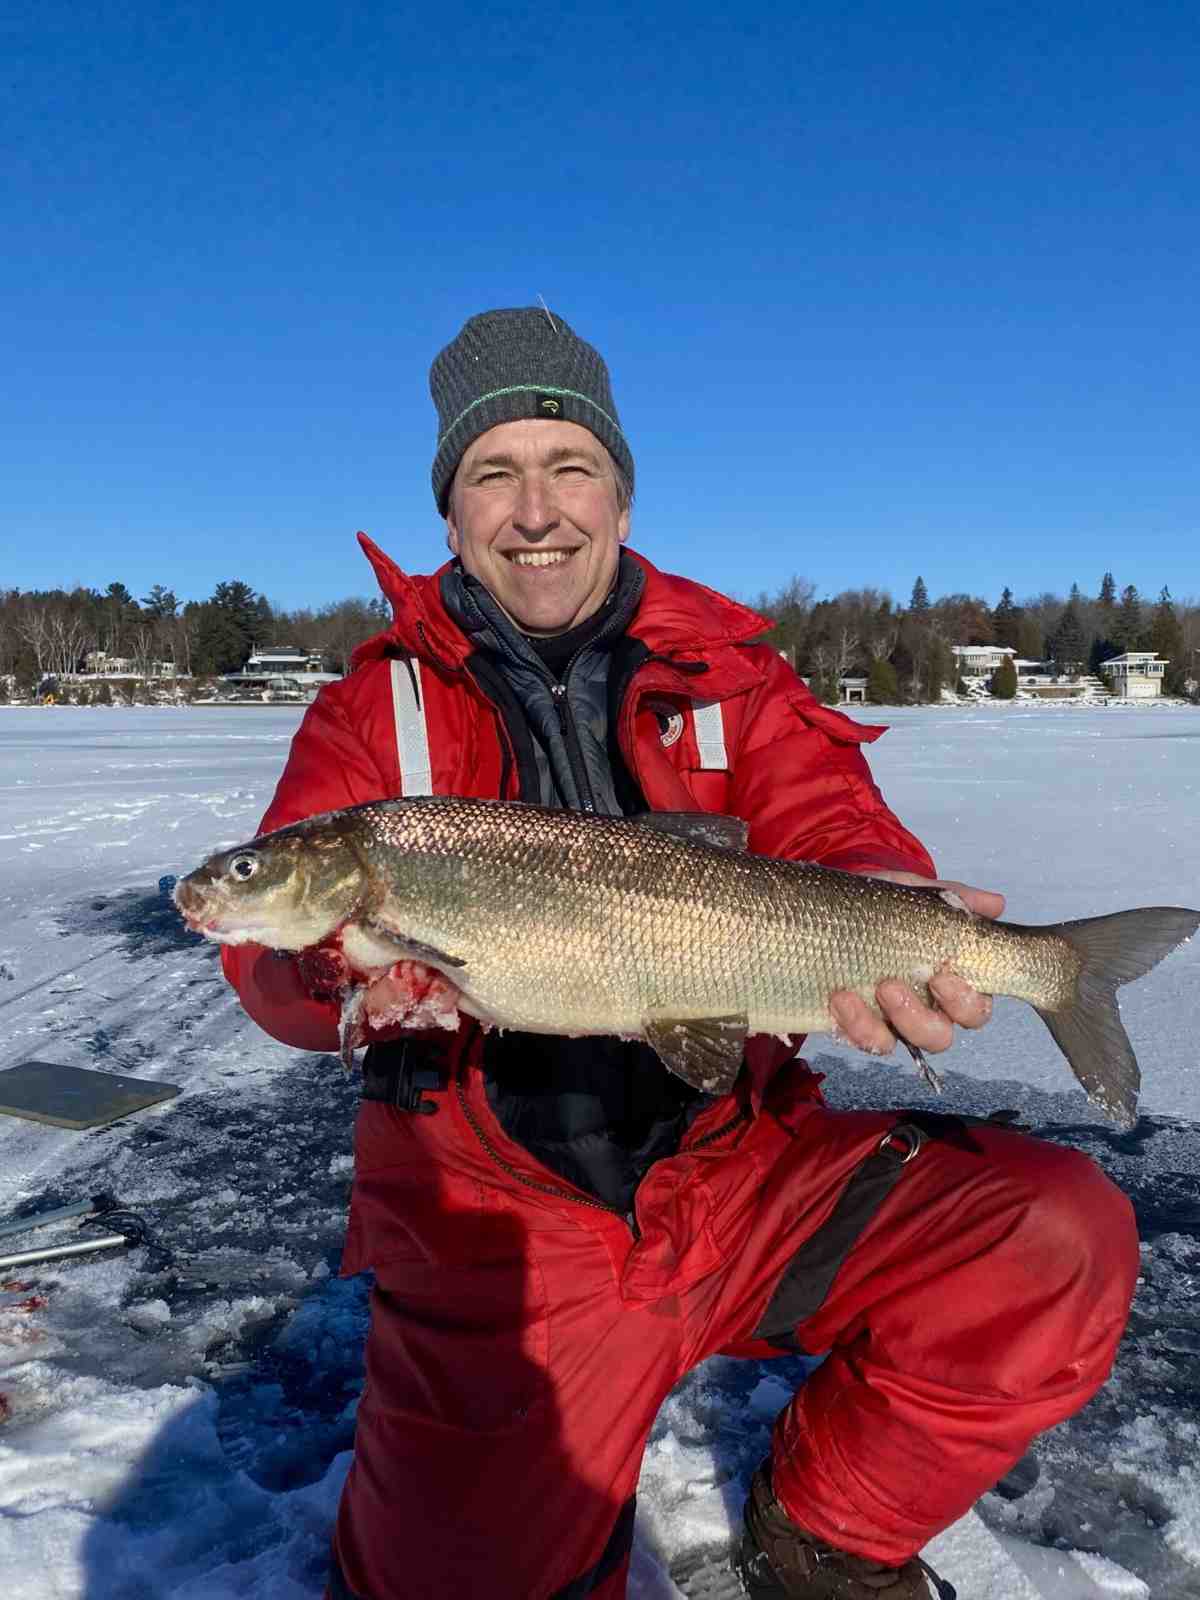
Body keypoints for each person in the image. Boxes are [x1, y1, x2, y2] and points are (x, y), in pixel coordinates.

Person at [222, 309, 1138, 1600]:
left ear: (621, 491)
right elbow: (264, 969)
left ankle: (818, 1533)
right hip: (512, 1241)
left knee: (1060, 1237)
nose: (536, 511)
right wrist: (333, 982)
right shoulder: (375, 719)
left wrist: (890, 905)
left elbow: (834, 827)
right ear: (450, 514)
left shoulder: (727, 672)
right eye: (493, 474)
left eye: (568, 469)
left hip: (740, 1175)